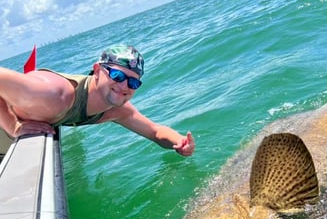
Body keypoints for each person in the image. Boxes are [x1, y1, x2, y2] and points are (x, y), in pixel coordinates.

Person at [0, 44, 195, 156]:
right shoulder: (53, 96)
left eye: (133, 83)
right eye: (117, 76)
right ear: (97, 70)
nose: (124, 85)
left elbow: (155, 131)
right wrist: (12, 126)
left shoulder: (116, 109)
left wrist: (178, 142)